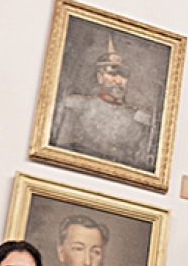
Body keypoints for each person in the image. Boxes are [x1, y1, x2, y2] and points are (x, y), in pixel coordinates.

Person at [51, 38, 156, 171]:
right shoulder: (77, 106)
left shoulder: (139, 120)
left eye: (124, 75)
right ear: (100, 77)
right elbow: (59, 154)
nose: (119, 80)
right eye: (112, 74)